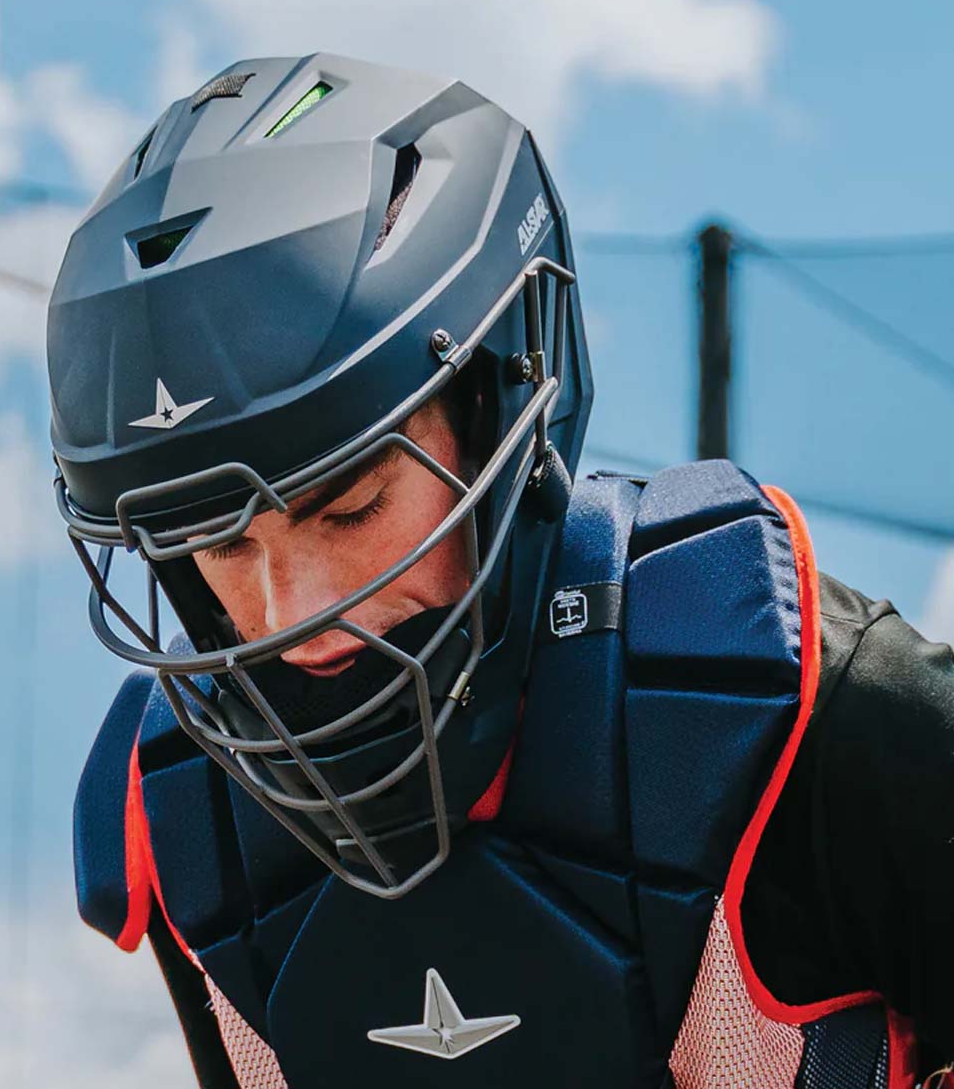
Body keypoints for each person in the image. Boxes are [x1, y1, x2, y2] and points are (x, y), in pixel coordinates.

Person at [48, 53, 954, 1088]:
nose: (293, 620)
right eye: (218, 542)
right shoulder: (191, 836)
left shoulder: (804, 714)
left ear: (498, 401)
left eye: (351, 506)